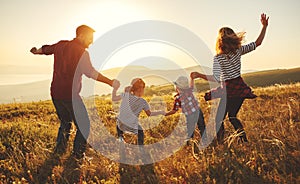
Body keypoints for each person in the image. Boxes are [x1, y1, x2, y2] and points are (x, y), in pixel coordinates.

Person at [30, 25, 120, 158]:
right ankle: (77, 156)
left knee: (65, 123)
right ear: (81, 35)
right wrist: (110, 82)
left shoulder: (60, 45)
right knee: (84, 126)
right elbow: (91, 72)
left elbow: (46, 49)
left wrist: (36, 51)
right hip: (70, 96)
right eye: (90, 38)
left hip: (55, 93)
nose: (91, 42)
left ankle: (59, 152)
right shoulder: (81, 52)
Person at [191, 13, 269, 144]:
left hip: (228, 90)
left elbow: (215, 78)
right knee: (232, 117)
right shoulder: (238, 51)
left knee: (219, 120)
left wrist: (199, 75)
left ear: (219, 41)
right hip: (239, 88)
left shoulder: (218, 57)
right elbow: (258, 43)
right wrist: (264, 27)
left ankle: (222, 142)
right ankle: (244, 142)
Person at [112, 78, 165, 145]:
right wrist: (160, 112)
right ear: (140, 89)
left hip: (121, 122)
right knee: (140, 131)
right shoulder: (143, 102)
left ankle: (120, 137)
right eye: (142, 88)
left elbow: (114, 98)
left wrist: (115, 88)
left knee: (120, 124)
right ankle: (140, 148)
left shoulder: (126, 95)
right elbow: (149, 114)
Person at [165, 76, 207, 145]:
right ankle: (205, 141)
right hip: (198, 111)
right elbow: (192, 84)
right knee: (202, 127)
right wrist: (192, 78)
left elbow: (174, 110)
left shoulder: (178, 98)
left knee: (190, 130)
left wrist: (166, 114)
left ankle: (190, 144)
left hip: (190, 115)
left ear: (177, 88)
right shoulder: (190, 90)